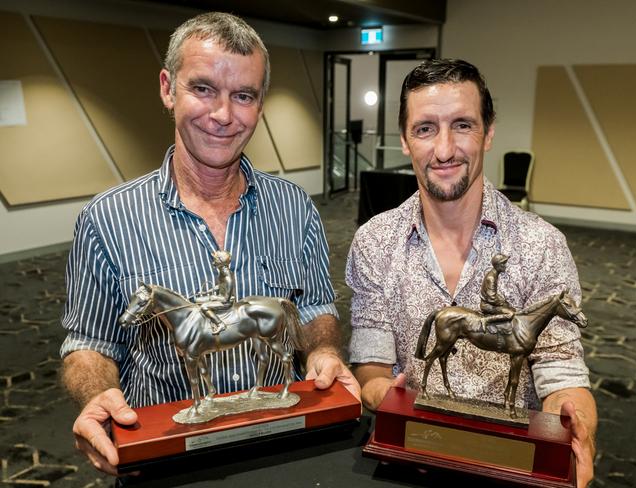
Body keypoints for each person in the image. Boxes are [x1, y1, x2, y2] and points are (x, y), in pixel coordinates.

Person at [60, 12, 359, 477]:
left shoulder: (296, 207)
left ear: (260, 105)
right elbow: (89, 342)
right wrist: (96, 393)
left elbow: (315, 306)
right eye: (203, 89)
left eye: (243, 96)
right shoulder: (106, 219)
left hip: (285, 443)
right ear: (167, 88)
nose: (223, 115)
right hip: (168, 454)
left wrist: (325, 351)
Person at [346, 59, 597, 487]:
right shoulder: (374, 240)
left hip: (510, 461)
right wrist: (382, 394)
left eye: (462, 125)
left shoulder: (542, 244)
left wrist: (576, 422)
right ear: (406, 140)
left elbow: (562, 373)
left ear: (489, 131)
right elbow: (371, 366)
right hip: (412, 455)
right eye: (425, 129)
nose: (444, 150)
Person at [196, 250, 235, 333]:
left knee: (204, 307)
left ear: (221, 262)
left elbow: (225, 299)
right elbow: (220, 286)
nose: (213, 262)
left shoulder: (228, 278)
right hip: (219, 298)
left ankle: (220, 323)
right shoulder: (222, 273)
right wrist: (208, 291)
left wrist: (214, 297)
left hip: (225, 302)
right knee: (196, 300)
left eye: (215, 260)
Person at [479, 253, 515, 331]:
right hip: (487, 305)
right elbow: (491, 298)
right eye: (503, 263)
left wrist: (503, 301)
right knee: (510, 314)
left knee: (511, 308)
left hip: (490, 303)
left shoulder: (494, 274)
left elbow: (493, 294)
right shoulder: (491, 278)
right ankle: (487, 320)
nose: (505, 265)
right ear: (498, 265)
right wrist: (502, 302)